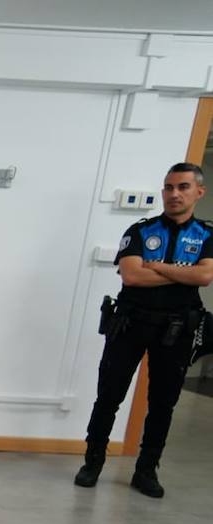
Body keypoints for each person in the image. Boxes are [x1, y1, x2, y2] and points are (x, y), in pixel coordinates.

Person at [74, 163, 212, 498]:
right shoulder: (140, 230)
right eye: (168, 187)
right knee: (109, 396)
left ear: (198, 192)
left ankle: (146, 470)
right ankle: (92, 462)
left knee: (163, 402)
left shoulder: (207, 236)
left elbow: (205, 277)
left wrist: (158, 266)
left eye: (182, 187)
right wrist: (182, 271)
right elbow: (132, 276)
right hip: (131, 324)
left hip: (177, 330)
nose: (174, 194)